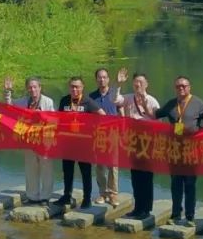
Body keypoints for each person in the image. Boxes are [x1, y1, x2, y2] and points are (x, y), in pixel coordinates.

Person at [155, 75, 203, 226]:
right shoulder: (172, 104)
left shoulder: (197, 102)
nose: (181, 88)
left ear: (189, 87)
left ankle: (190, 216)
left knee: (190, 184)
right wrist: (142, 101)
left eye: (184, 86)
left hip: (191, 150)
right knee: (176, 184)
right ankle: (176, 213)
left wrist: (198, 130)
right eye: (178, 86)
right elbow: (157, 114)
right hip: (175, 150)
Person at [114, 69, 161, 220]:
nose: (138, 85)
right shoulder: (128, 98)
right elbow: (115, 100)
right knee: (135, 177)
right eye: (136, 83)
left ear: (146, 84)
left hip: (147, 143)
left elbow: (158, 122)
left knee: (146, 177)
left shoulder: (152, 101)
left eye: (141, 82)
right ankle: (137, 207)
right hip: (133, 142)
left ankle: (146, 209)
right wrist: (118, 84)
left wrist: (146, 109)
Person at [55, 76, 105, 209]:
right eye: (72, 86)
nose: (74, 89)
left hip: (84, 144)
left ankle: (87, 198)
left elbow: (102, 115)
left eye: (77, 87)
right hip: (68, 142)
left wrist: (94, 129)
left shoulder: (88, 101)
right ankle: (67, 195)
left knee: (85, 172)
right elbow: (59, 119)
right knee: (67, 171)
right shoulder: (65, 100)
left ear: (82, 87)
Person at [4, 76, 56, 204]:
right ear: (27, 89)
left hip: (45, 140)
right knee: (30, 168)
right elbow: (9, 107)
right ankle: (32, 196)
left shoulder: (48, 102)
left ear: (40, 88)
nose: (32, 90)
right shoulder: (24, 101)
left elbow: (55, 121)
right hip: (30, 141)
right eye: (30, 87)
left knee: (46, 169)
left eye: (35, 87)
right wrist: (8, 92)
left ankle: (45, 196)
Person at [89, 67, 120, 207]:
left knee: (113, 164)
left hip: (113, 133)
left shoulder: (114, 94)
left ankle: (113, 193)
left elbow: (122, 111)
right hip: (99, 134)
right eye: (99, 77)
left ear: (108, 79)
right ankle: (102, 193)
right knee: (100, 165)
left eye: (104, 77)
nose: (102, 80)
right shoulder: (91, 97)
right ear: (96, 79)